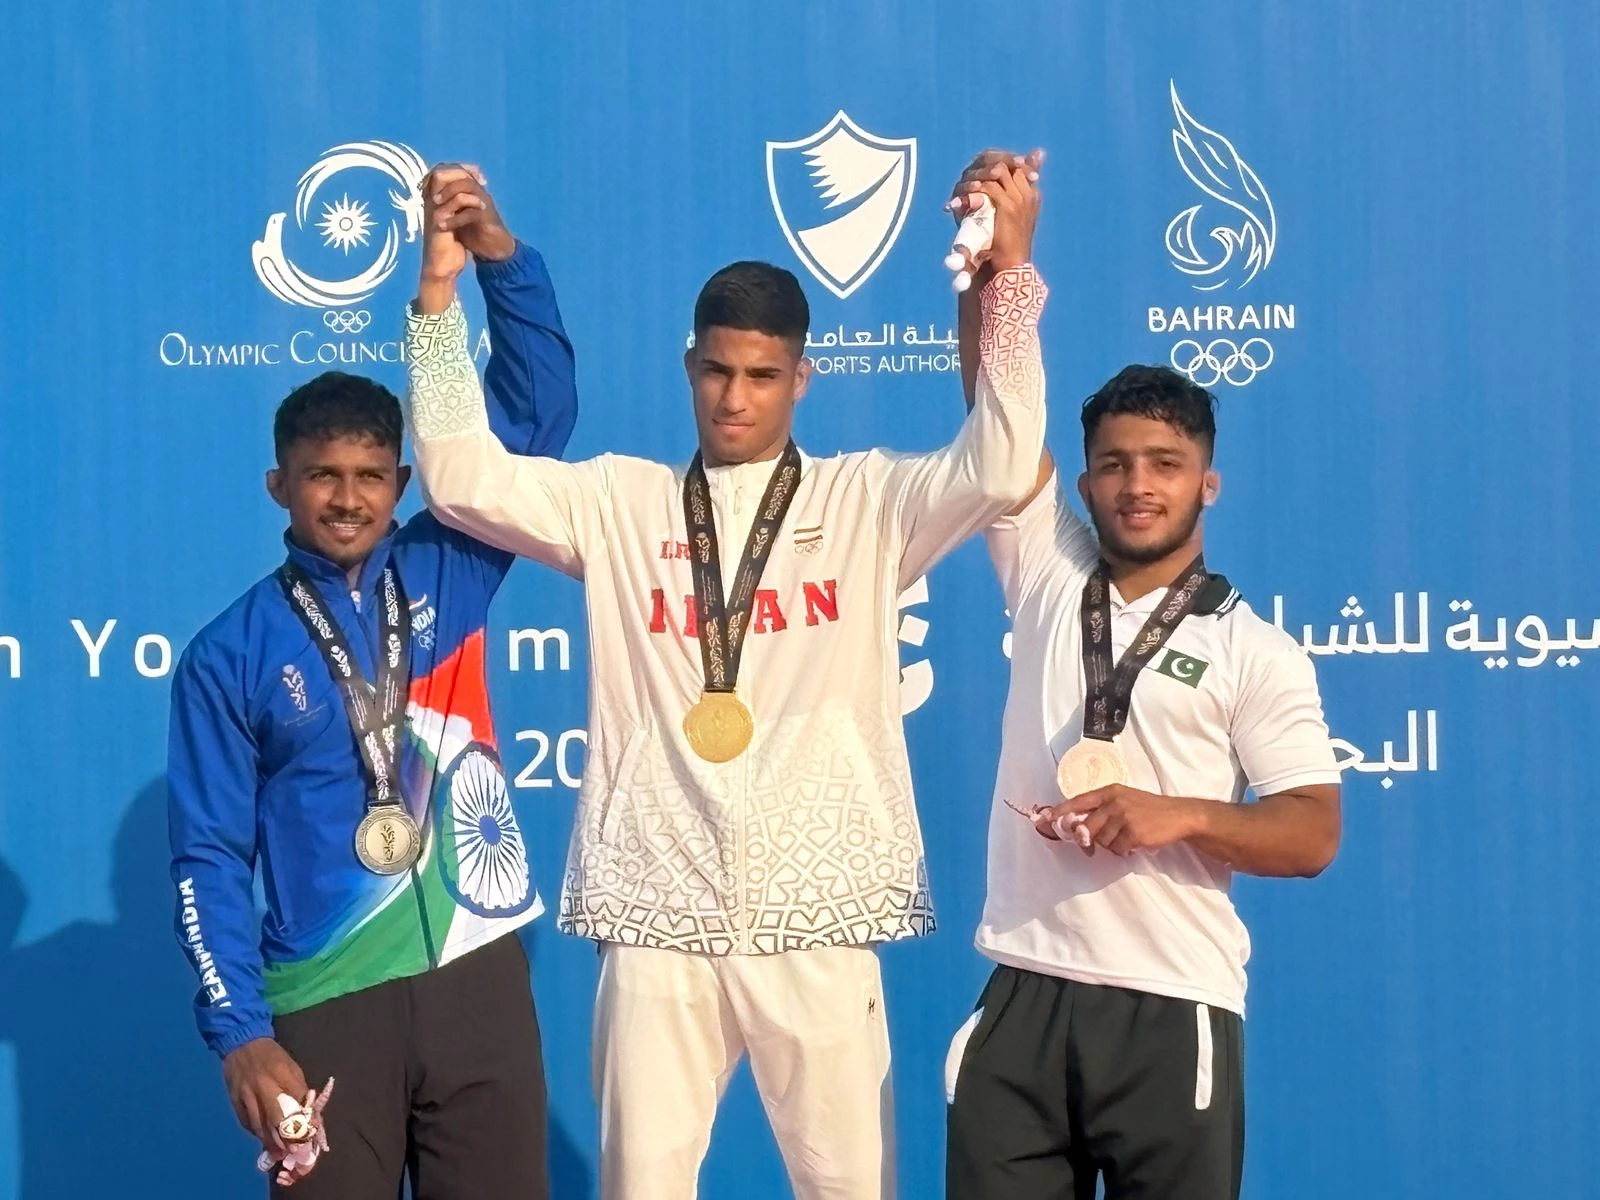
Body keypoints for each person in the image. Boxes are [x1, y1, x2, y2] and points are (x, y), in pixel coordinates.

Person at [401, 158, 1048, 1199]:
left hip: (819, 920)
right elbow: (459, 474)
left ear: (802, 378)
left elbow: (1005, 463)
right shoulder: (621, 503)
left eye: (760, 376)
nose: (734, 399)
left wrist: (1008, 279)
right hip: (658, 920)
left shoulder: (870, 502)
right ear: (687, 365)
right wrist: (440, 297)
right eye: (715, 372)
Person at [167, 166, 576, 1198]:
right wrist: (240, 1036)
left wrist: (498, 260)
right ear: (281, 486)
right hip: (326, 995)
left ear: (401, 481)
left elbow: (541, 416)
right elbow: (209, 854)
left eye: (369, 477)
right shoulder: (232, 651)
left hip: (479, 976)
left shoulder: (452, 562)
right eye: (321, 477)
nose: (346, 500)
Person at [942, 153, 1342, 1200]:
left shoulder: (1257, 649)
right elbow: (996, 415)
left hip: (1172, 1003)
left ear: (1206, 482)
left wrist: (1181, 815)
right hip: (1024, 987)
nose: (1137, 486)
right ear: (1085, 479)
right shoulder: (1044, 564)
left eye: (1163, 464)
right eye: (1115, 464)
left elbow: (1310, 833)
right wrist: (998, 263)